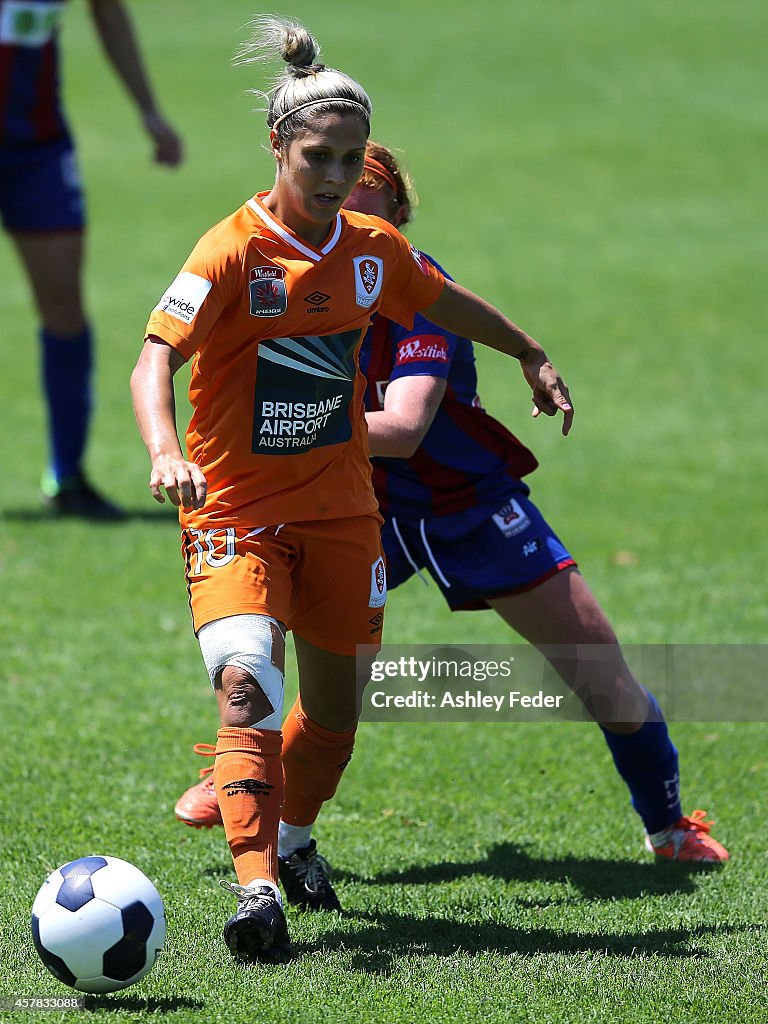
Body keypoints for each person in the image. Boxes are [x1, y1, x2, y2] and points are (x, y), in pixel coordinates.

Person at [173, 140, 729, 898]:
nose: (341, 215)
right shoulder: (291, 269)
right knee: (309, 667)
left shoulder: (408, 289)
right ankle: (249, 777)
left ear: (398, 219)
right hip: (355, 505)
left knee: (600, 672)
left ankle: (669, 828)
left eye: (366, 206)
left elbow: (403, 429)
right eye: (329, 197)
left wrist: (284, 421)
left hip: (466, 507)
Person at [130, 16, 572, 965]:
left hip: (340, 512)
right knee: (246, 690)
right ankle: (255, 894)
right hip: (235, 514)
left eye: (348, 158)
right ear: (278, 150)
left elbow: (440, 299)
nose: (331, 177)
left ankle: (292, 841)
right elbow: (154, 355)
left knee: (333, 714)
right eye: (315, 157)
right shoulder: (230, 251)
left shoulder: (370, 248)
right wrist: (166, 448)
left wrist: (528, 351)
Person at [1, 0, 182, 517]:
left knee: (64, 306)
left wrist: (147, 108)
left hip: (36, 146)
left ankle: (67, 475)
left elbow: (107, 11)